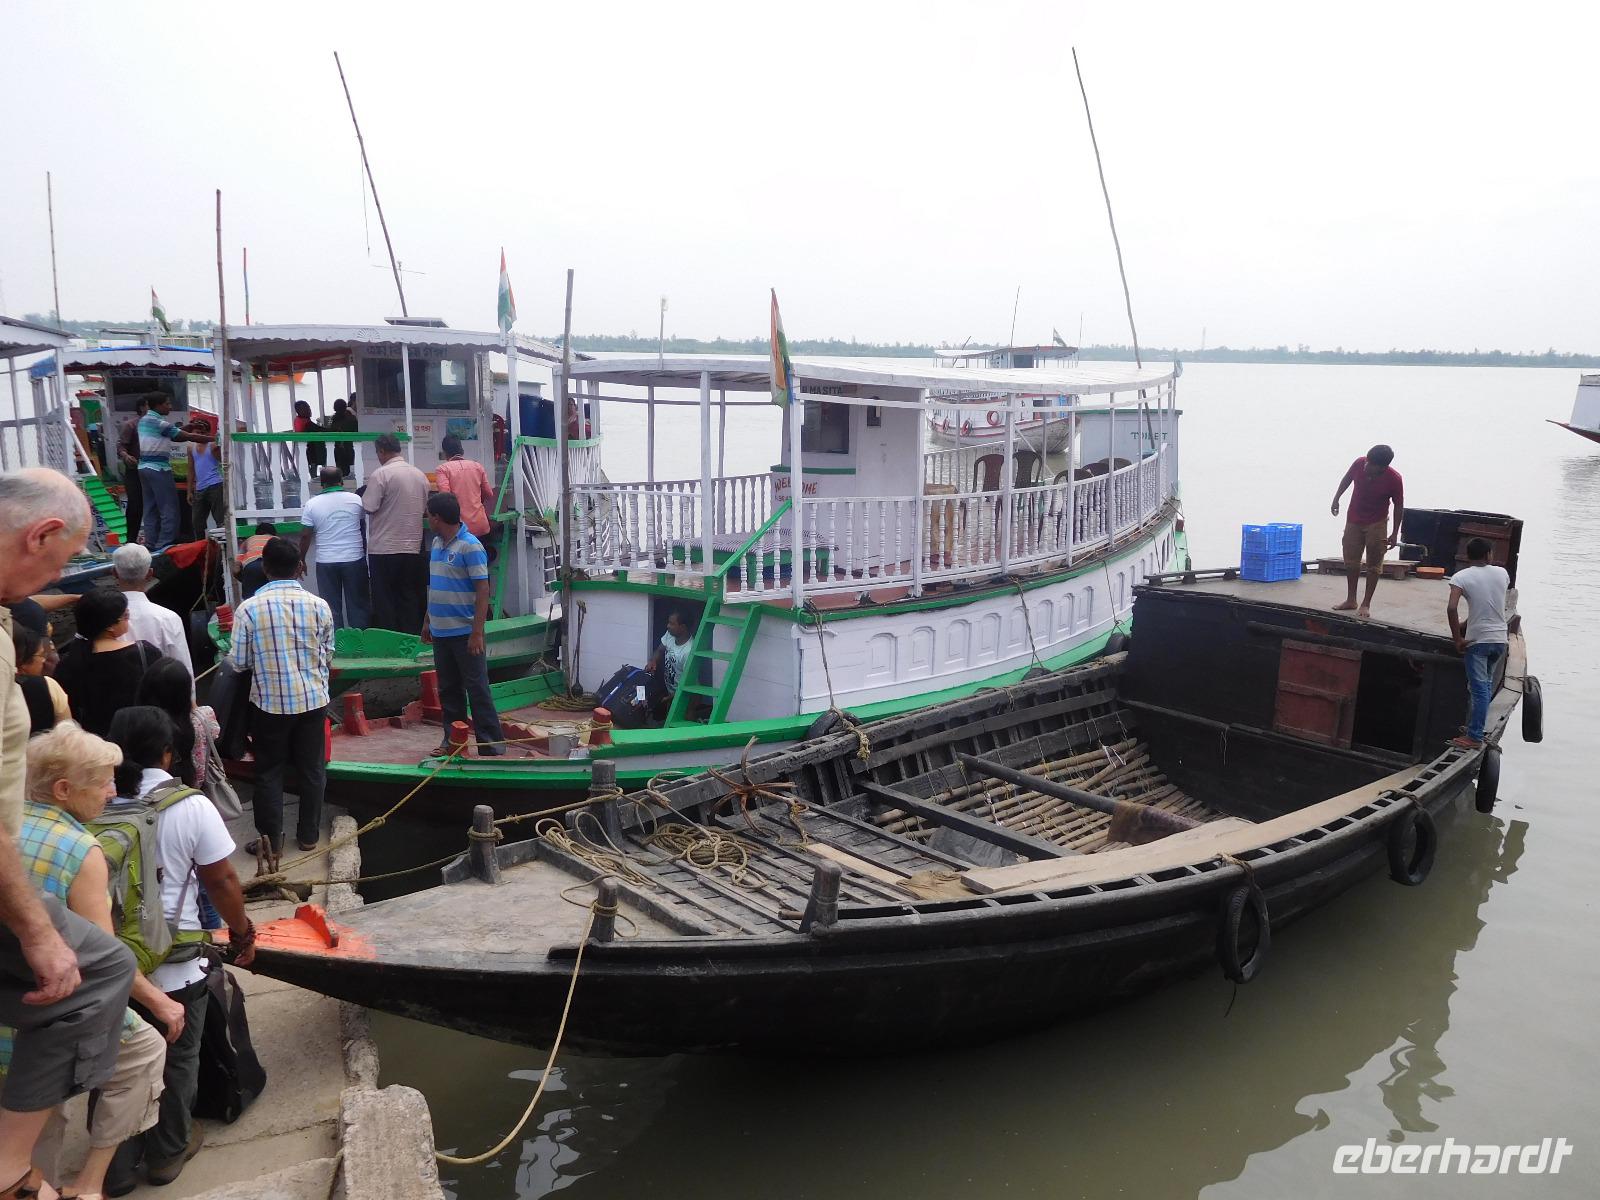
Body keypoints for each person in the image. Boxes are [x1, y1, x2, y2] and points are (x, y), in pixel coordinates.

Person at [0, 470, 139, 1200]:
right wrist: (34, 930)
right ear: (40, 535)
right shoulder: (85, 848)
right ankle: (11, 1167)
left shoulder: (10, 619)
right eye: (56, 564)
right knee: (91, 974)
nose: (44, 590)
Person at [21, 723, 179, 1200]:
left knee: (38, 1114)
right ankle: (89, 1186)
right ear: (65, 790)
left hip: (13, 992)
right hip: (54, 999)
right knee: (145, 1052)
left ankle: (39, 1184)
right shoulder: (82, 851)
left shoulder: (11, 823)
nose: (113, 791)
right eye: (105, 781)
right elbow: (107, 961)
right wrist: (161, 1002)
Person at [103, 707, 254, 1190]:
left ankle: (116, 1166)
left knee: (117, 1062)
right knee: (178, 1058)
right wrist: (243, 932)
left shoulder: (96, 803)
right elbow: (222, 879)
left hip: (111, 965)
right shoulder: (190, 806)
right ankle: (168, 1153)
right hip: (176, 966)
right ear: (169, 752)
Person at [227, 538, 332, 861]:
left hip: (270, 704)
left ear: (266, 569)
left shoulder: (248, 610)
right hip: (314, 700)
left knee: (269, 771)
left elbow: (239, 662)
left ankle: (272, 842)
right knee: (312, 769)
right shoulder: (319, 606)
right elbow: (328, 654)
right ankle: (309, 836)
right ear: (300, 568)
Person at [421, 493, 504, 757]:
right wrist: (427, 621)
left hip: (464, 632)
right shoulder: (436, 544)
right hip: (441, 631)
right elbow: (435, 585)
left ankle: (490, 743)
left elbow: (483, 591)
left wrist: (477, 633)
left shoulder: (470, 547)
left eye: (428, 515)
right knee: (448, 689)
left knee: (477, 687)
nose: (427, 519)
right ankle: (453, 740)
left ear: (437, 517)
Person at [54, 590, 166, 740]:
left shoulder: (68, 663)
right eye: (126, 615)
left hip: (94, 744)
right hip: (141, 738)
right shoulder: (145, 653)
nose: (129, 619)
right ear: (110, 626)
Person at [361, 434, 429, 634]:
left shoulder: (381, 474)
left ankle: (390, 642)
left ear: (381, 451)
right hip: (413, 547)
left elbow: (369, 507)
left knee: (385, 600)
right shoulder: (420, 475)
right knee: (409, 597)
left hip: (384, 548)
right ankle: (411, 639)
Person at [1447, 537, 1510, 750]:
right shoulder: (1502, 574)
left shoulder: (1461, 577)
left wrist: (1458, 638)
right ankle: (1475, 727)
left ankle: (1474, 736)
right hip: (1500, 640)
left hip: (1478, 642)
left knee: (1479, 688)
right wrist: (1466, 624)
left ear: (1467, 556)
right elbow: (1489, 604)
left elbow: (1451, 608)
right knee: (1482, 687)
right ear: (1488, 555)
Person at [1329, 444, 1404, 618]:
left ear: (1382, 467)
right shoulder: (1359, 463)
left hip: (1377, 523)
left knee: (1374, 564)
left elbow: (1399, 506)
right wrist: (1336, 498)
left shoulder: (1394, 479)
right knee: (1351, 560)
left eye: (1370, 464)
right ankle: (1351, 599)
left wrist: (1394, 533)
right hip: (1354, 519)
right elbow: (1347, 479)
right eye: (1366, 461)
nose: (1365, 466)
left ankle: (1366, 603)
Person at [135, 393, 213, 553]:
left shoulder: (144, 421)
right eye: (167, 404)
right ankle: (164, 545)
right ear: (158, 405)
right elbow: (184, 437)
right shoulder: (159, 422)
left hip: (143, 468)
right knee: (169, 508)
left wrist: (187, 428)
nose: (170, 407)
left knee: (150, 508)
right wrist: (214, 439)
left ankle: (150, 544)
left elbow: (173, 434)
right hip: (159, 469)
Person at [300, 466, 370, 630]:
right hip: (354, 559)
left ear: (322, 484)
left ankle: (336, 646)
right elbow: (363, 524)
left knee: (331, 608)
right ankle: (360, 645)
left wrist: (301, 559)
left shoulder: (311, 504)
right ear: (342, 481)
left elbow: (305, 536)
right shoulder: (356, 500)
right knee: (358, 605)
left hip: (326, 562)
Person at [111, 543, 194, 679]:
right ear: (150, 573)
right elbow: (183, 669)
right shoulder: (169, 618)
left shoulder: (102, 617)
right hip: (160, 695)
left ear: (114, 572)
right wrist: (190, 699)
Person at [433, 435, 497, 544]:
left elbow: (445, 499)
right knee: (480, 559)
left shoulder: (443, 469)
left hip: (459, 529)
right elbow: (489, 494)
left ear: (445, 452)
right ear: (461, 449)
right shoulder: (477, 467)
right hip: (481, 526)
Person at [9, 626, 67, 736]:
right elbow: (67, 736)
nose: (44, 660)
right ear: (22, 664)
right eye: (41, 655)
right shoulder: (49, 686)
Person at [647, 610, 695, 714]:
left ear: (682, 627)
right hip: (671, 691)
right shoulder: (670, 635)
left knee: (685, 721)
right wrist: (653, 661)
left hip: (685, 695)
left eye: (672, 624)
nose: (668, 626)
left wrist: (669, 698)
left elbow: (688, 684)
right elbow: (660, 650)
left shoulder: (689, 651)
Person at [116, 399, 148, 546]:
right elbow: (121, 446)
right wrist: (126, 456)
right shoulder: (131, 425)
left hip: (150, 470)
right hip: (134, 471)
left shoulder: (157, 424)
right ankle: (131, 539)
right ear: (142, 408)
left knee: (153, 505)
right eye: (149, 405)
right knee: (135, 505)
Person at [186, 419, 225, 536]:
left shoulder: (212, 446)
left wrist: (217, 446)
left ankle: (223, 545)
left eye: (203, 433)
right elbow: (190, 469)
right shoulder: (190, 448)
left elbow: (221, 459)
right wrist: (189, 491)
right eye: (197, 432)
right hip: (200, 488)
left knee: (220, 520)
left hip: (216, 485)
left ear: (208, 434)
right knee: (197, 523)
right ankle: (201, 547)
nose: (199, 435)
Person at [233, 522, 277, 602]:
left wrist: (246, 579)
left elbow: (236, 569)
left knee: (250, 603)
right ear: (274, 533)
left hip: (251, 568)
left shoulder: (249, 540)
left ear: (256, 533)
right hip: (272, 568)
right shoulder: (277, 539)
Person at [291, 401, 327, 476]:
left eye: (309, 408)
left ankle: (314, 477)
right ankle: (315, 477)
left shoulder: (300, 420)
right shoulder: (305, 422)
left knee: (313, 464)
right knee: (313, 463)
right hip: (310, 448)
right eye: (306, 409)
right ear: (300, 411)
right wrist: (333, 430)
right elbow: (318, 429)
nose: (309, 410)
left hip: (310, 447)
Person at [328, 398, 359, 481]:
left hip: (338, 448)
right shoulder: (352, 419)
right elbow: (356, 431)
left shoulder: (333, 419)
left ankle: (340, 482)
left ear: (334, 408)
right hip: (349, 447)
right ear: (345, 407)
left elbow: (330, 432)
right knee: (349, 468)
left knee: (340, 467)